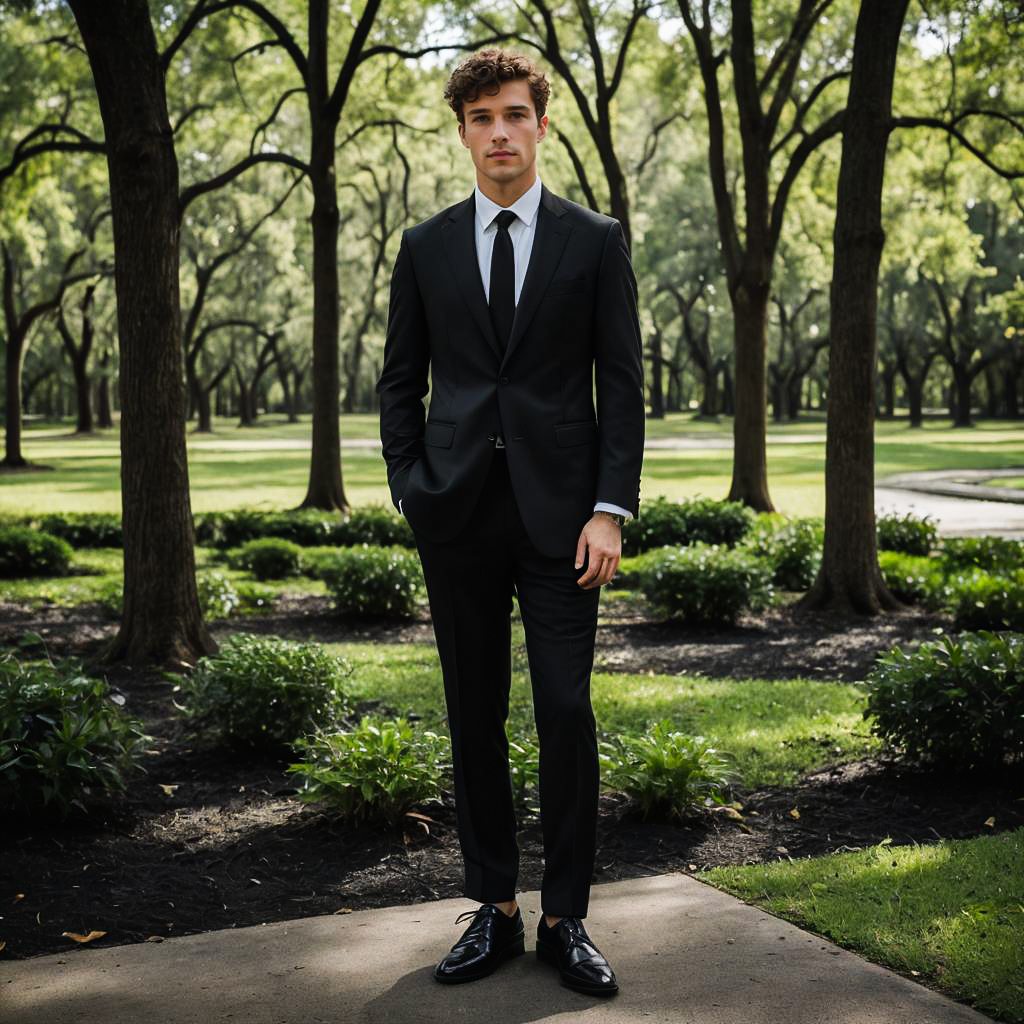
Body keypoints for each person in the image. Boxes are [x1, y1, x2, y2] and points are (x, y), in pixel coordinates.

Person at [375, 48, 644, 997]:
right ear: (462, 132)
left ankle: (567, 917)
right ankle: (493, 910)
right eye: (482, 116)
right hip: (457, 518)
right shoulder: (425, 246)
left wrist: (611, 510)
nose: (499, 131)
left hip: (566, 522)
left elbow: (622, 383)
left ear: (542, 124)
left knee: (565, 711)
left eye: (515, 114)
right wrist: (412, 486)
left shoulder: (593, 239)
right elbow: (400, 382)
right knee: (473, 713)